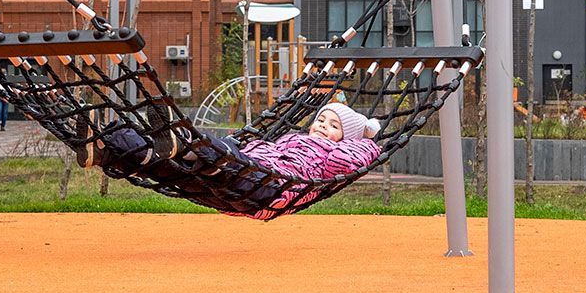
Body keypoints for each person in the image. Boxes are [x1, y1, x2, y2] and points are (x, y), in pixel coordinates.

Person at [80, 101, 382, 220]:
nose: (323, 127)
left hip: (271, 187)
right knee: (172, 171)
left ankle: (184, 144)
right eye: (321, 120)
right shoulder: (293, 137)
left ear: (348, 138)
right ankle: (109, 145)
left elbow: (349, 161)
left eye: (334, 126)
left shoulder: (336, 155)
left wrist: (366, 139)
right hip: (242, 180)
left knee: (221, 154)